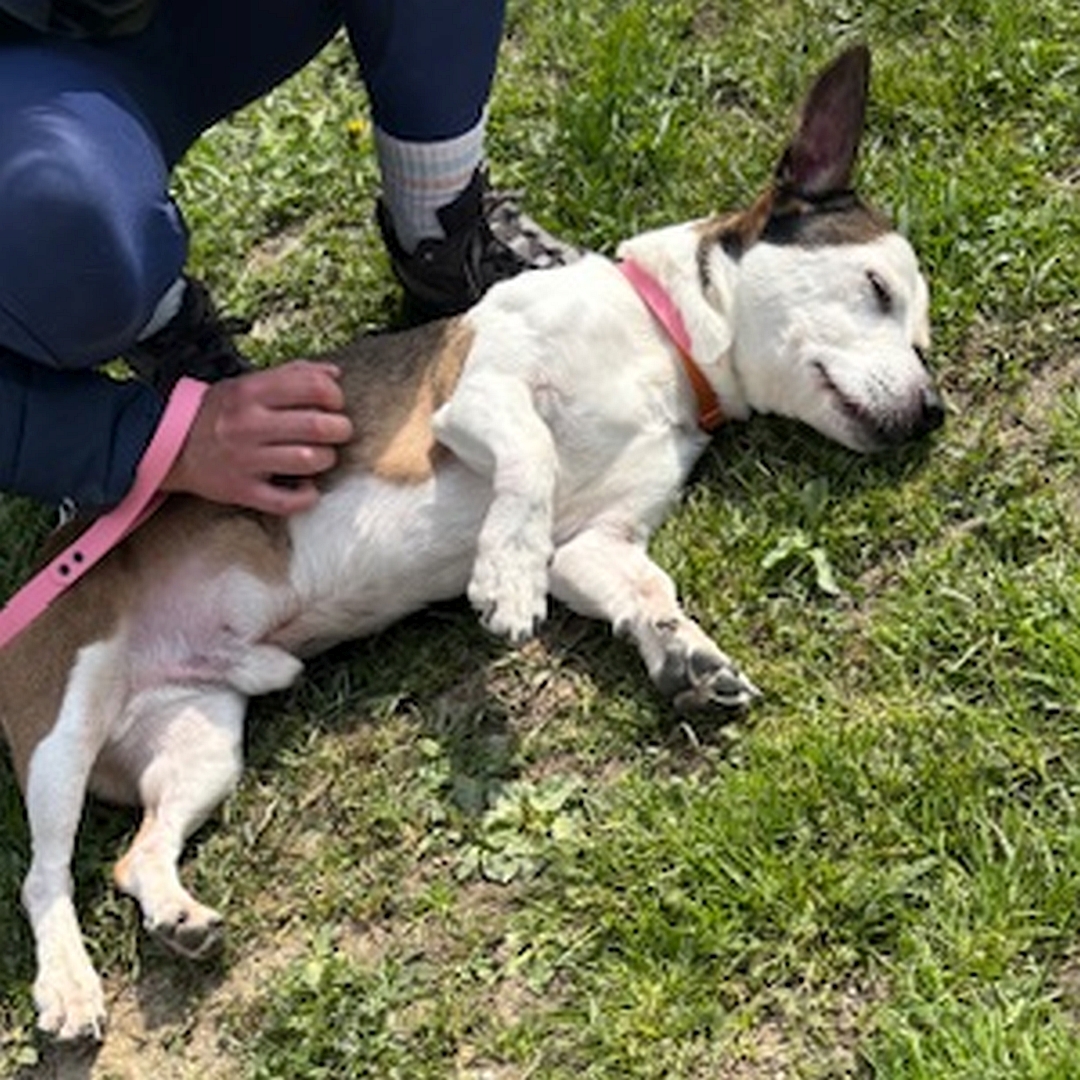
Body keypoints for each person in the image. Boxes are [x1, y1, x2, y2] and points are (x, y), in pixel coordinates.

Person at [0, 0, 577, 519]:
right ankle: (162, 329)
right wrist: (146, 441)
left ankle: (441, 233)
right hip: (28, 84)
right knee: (53, 218)